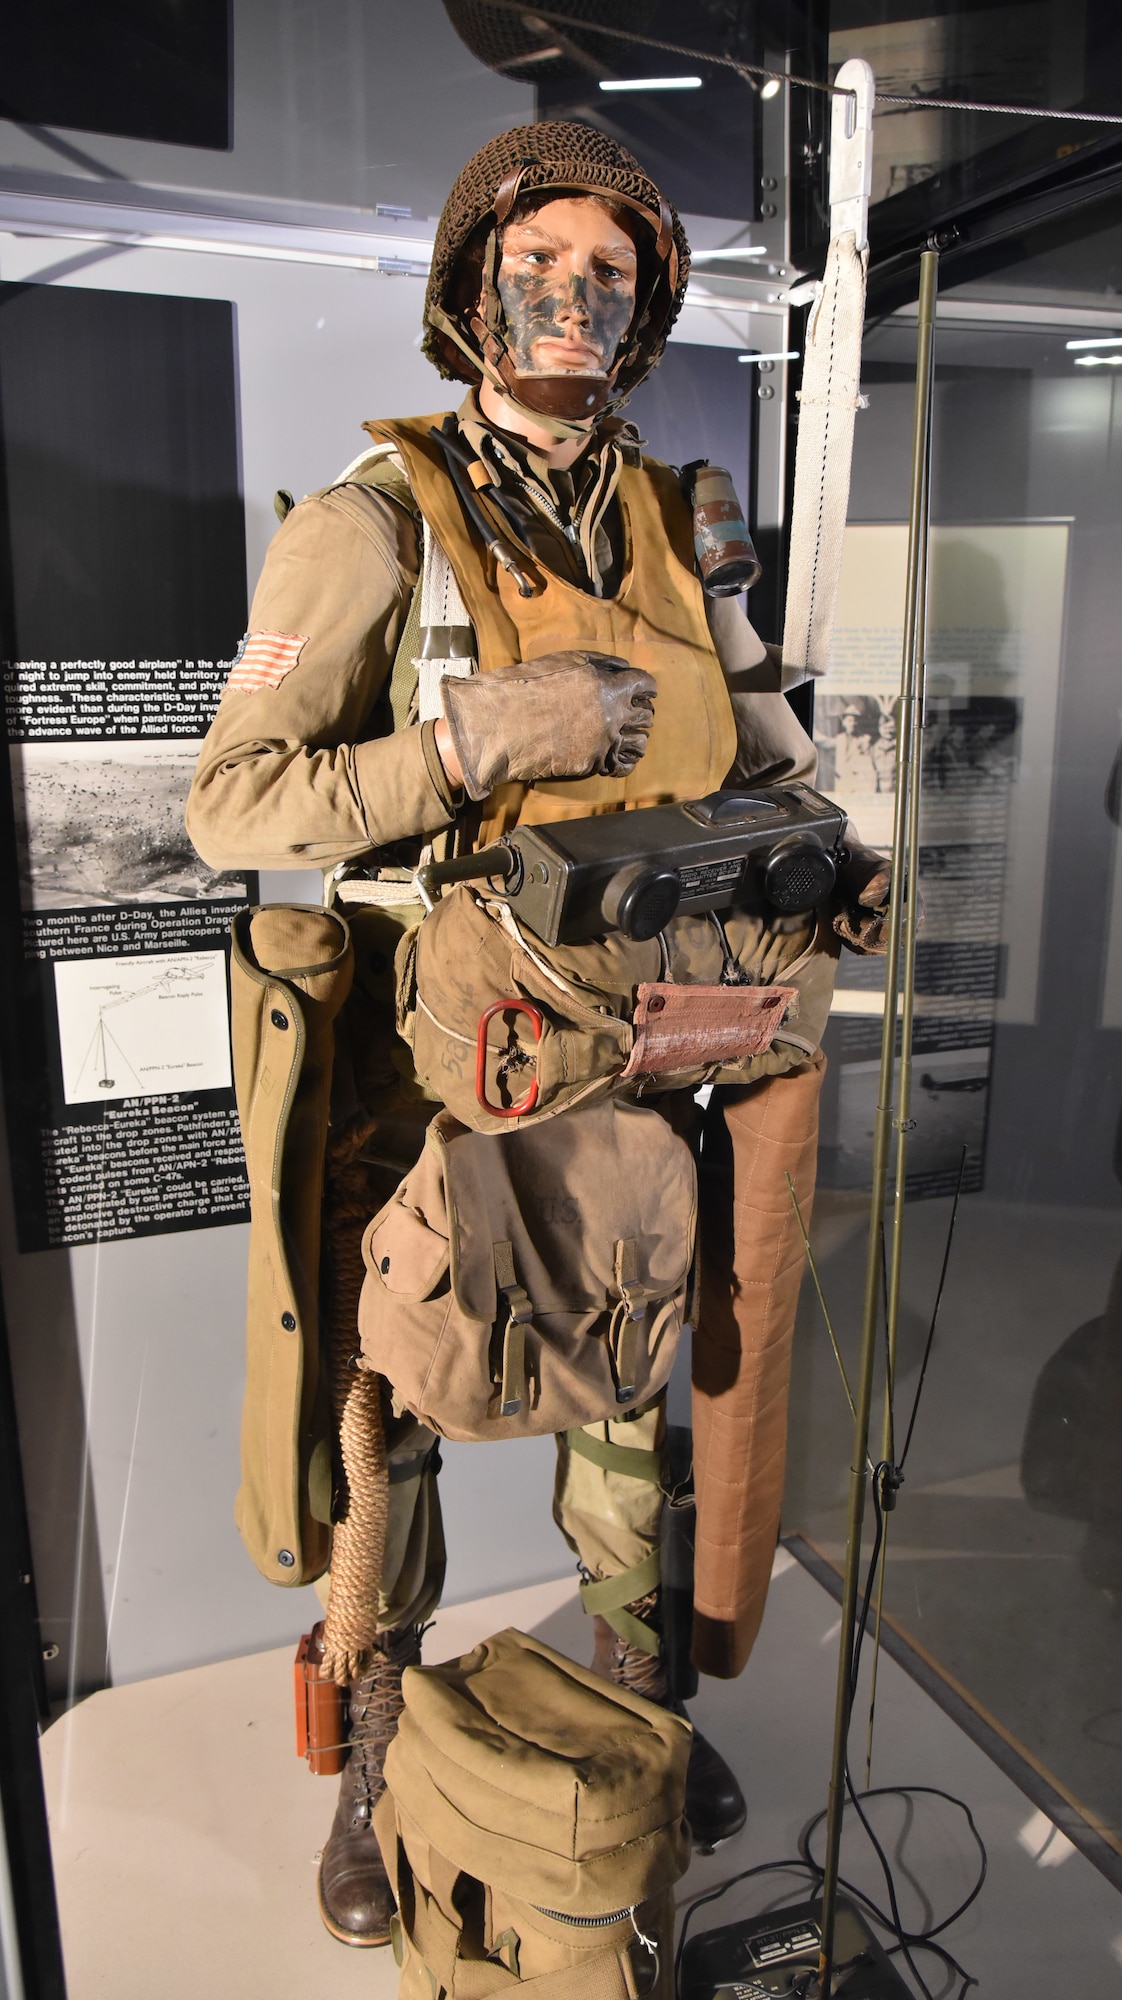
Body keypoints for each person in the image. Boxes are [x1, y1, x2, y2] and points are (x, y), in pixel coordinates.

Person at [188, 120, 884, 1950]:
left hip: (642, 1053)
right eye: (539, 266)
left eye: (613, 275)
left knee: (638, 1386)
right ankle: (379, 1748)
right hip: (429, 1086)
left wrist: (828, 855)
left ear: (648, 310)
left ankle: (639, 1705)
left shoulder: (680, 525)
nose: (573, 301)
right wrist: (467, 746)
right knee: (394, 1410)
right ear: (467, 287)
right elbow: (234, 809)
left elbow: (762, 743)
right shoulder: (371, 527)